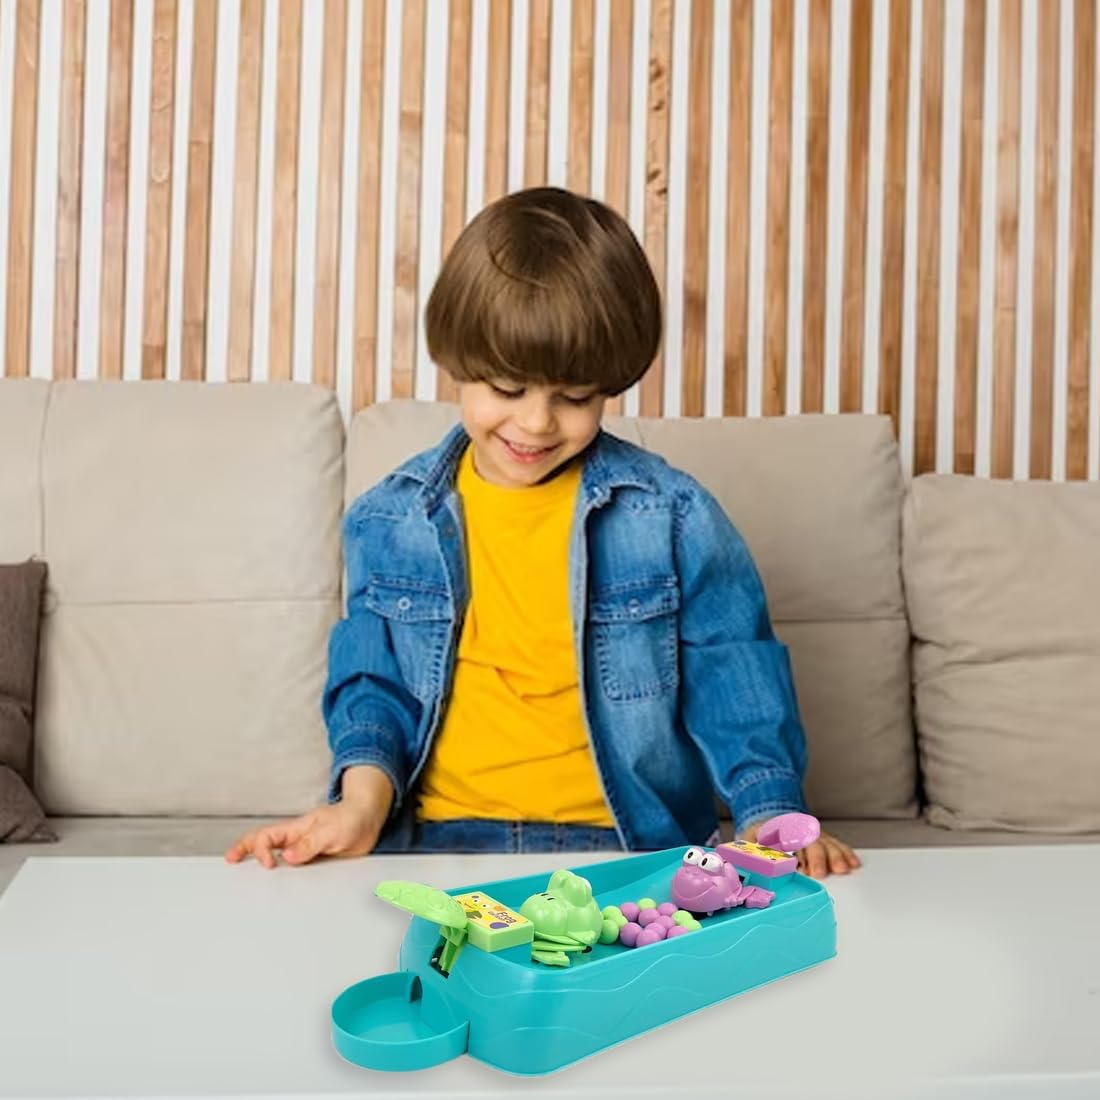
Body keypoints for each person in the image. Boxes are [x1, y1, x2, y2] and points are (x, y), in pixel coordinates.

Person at [226, 186, 860, 878]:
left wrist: (770, 814)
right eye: (506, 389)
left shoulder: (673, 515)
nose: (535, 423)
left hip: (628, 848)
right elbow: (375, 689)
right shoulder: (389, 519)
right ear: (458, 364)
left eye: (575, 397)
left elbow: (734, 675)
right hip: (439, 847)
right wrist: (359, 806)